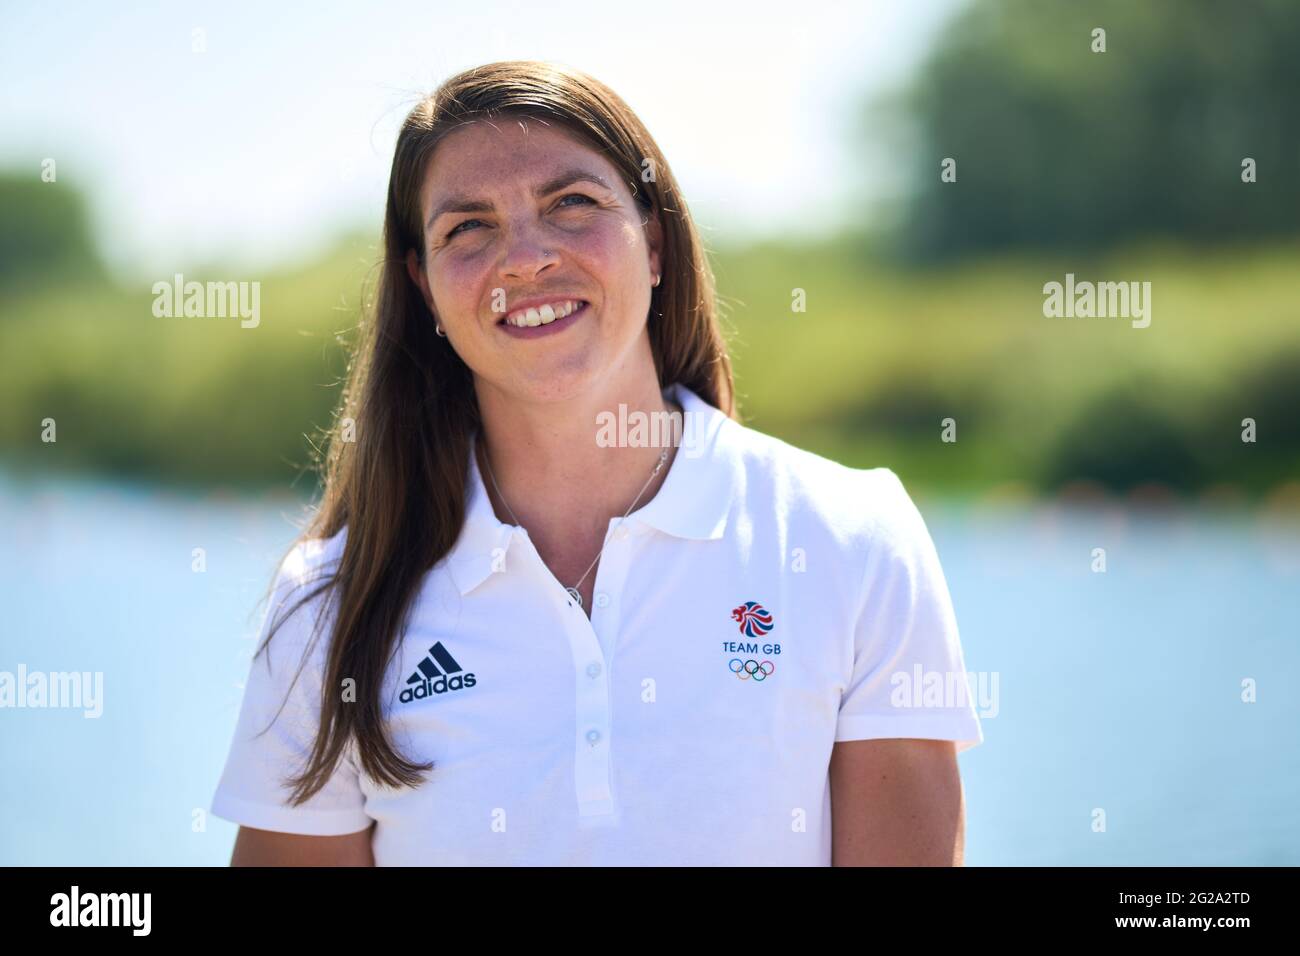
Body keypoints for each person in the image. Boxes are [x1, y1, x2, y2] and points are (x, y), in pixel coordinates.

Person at [209, 60, 983, 866]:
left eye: (571, 204)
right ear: (426, 287)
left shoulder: (854, 540)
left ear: (652, 242)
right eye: (466, 228)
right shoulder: (331, 607)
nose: (526, 258)